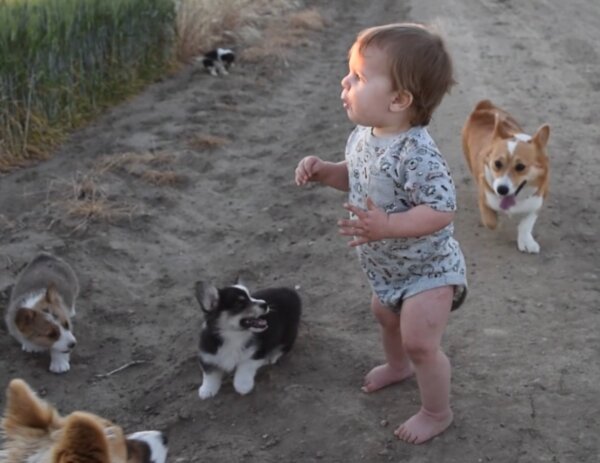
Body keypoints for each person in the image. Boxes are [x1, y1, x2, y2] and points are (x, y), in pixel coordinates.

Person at [294, 23, 467, 444]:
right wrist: (325, 172)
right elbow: (356, 177)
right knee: (384, 317)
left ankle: (436, 411)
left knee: (420, 341)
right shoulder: (363, 136)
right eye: (349, 73)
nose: (345, 81)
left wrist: (388, 226)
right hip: (386, 268)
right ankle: (397, 367)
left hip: (429, 269)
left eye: (358, 77)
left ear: (399, 100)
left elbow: (441, 209)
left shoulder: (417, 153)